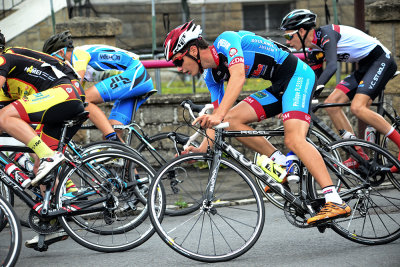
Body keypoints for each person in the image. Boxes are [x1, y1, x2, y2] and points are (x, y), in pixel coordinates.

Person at [163, 20, 351, 224]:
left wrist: (218, 115)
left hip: (298, 76)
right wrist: (201, 150)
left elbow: (238, 76)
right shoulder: (211, 76)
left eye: (178, 61)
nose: (179, 69)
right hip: (278, 86)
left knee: (294, 139)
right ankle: (280, 163)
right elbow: (220, 120)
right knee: (231, 120)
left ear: (192, 50)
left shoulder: (226, 41)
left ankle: (334, 199)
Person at [280, 9, 399, 172]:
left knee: (358, 107)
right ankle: (358, 155)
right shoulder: (313, 48)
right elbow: (314, 77)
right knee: (332, 104)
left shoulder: (327, 34)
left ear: (301, 31)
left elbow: (331, 67)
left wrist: (313, 94)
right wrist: (298, 96)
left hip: (381, 61)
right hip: (364, 66)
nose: (287, 42)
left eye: (288, 36)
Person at [0, 31, 85, 246]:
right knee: (40, 170)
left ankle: (48, 155)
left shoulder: (3, 57)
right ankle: (55, 223)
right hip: (67, 95)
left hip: (63, 93)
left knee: (6, 116)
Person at [42, 31, 156, 142]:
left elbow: (76, 84)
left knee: (85, 100)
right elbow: (75, 92)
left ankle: (113, 138)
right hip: (136, 80)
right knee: (113, 132)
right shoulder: (74, 65)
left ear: (61, 52)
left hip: (135, 74)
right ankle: (127, 159)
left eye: (52, 60)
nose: (53, 65)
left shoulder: (78, 54)